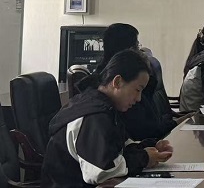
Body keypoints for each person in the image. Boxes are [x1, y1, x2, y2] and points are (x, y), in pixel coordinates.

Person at [41, 49, 173, 187]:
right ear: (118, 82)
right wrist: (144, 158)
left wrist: (149, 146)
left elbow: (120, 147)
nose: (139, 98)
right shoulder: (94, 115)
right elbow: (101, 171)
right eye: (137, 90)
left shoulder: (105, 106)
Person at [78, 23, 180, 140]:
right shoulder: (99, 114)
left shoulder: (105, 82)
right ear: (117, 82)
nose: (138, 98)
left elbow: (125, 142)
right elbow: (144, 130)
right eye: (137, 46)